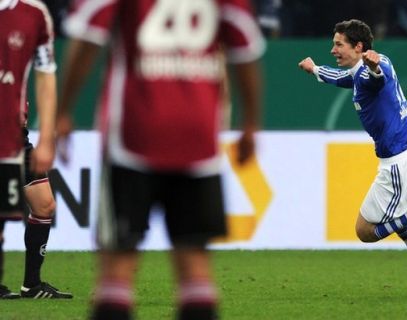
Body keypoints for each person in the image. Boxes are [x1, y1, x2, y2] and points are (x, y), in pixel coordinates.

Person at [56, 0, 264, 319]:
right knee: (195, 265)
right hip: (199, 136)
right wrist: (250, 122)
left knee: (118, 266)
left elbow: (88, 36)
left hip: (133, 133)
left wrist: (64, 109)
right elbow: (244, 50)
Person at [299, 19, 407, 296]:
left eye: (338, 44)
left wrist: (374, 66)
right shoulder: (361, 71)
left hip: (398, 163)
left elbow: (375, 78)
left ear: (358, 47)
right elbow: (343, 77)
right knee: (402, 223)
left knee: (365, 230)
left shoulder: (370, 72)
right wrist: (315, 70)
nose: (333, 50)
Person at [0, 0, 72, 299]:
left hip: (16, 136)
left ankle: (31, 284)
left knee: (44, 205)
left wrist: (47, 136)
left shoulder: (33, 14)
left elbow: (45, 76)